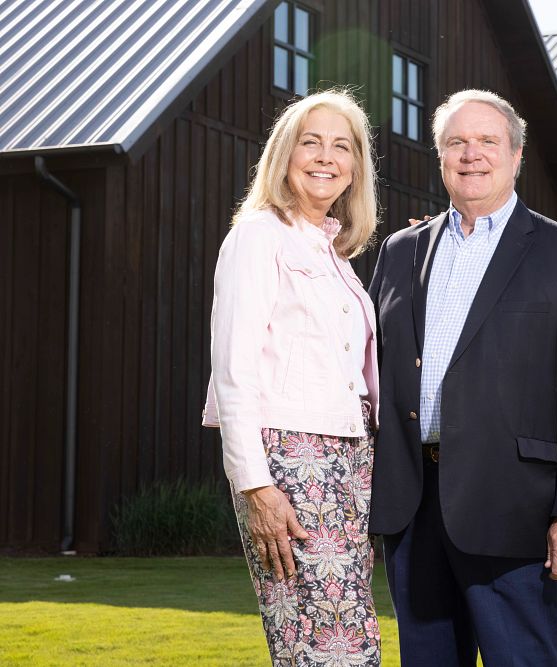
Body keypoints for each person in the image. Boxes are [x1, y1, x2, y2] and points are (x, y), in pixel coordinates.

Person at [368, 89, 557, 667]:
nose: (471, 154)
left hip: (515, 510)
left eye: (487, 141)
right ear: (440, 157)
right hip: (414, 508)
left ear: (516, 155)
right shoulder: (400, 252)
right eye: (457, 142)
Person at [202, 89, 382, 666]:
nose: (325, 157)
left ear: (355, 167)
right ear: (285, 155)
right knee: (324, 646)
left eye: (341, 146)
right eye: (311, 142)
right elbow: (233, 370)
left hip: (354, 456)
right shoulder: (258, 235)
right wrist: (255, 485)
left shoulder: (337, 256)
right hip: (290, 456)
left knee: (353, 632)